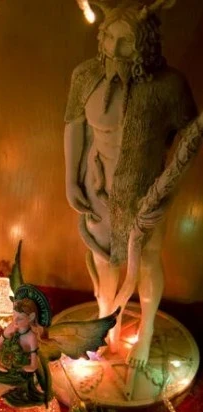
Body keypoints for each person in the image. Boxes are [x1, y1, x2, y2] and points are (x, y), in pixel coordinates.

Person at [64, 1, 197, 368]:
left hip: (145, 193)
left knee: (148, 259)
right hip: (97, 188)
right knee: (104, 260)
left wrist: (167, 185)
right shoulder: (86, 76)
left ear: (145, 42)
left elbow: (189, 136)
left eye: (126, 42)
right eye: (109, 38)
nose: (115, 49)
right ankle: (107, 321)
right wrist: (70, 180)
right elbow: (74, 124)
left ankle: (147, 329)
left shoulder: (168, 85)